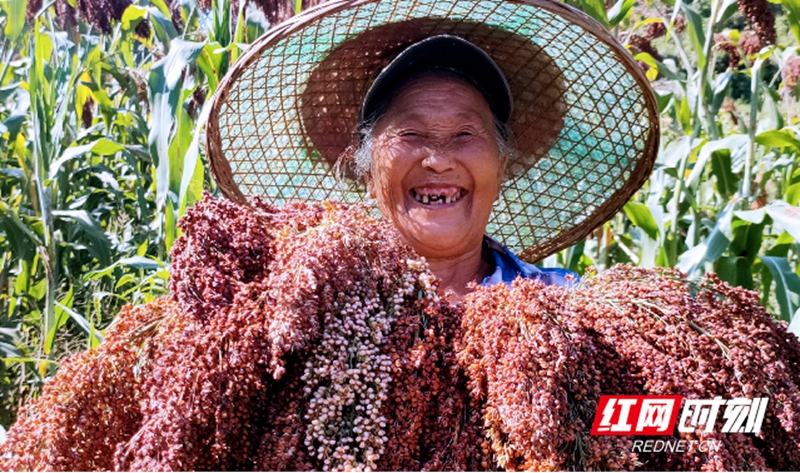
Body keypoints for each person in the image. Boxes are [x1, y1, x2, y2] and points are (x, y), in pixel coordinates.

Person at [207, 0, 660, 301]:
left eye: (465, 135)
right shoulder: (308, 305)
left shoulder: (567, 306)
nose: (439, 160)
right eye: (410, 136)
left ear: (501, 170)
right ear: (366, 174)